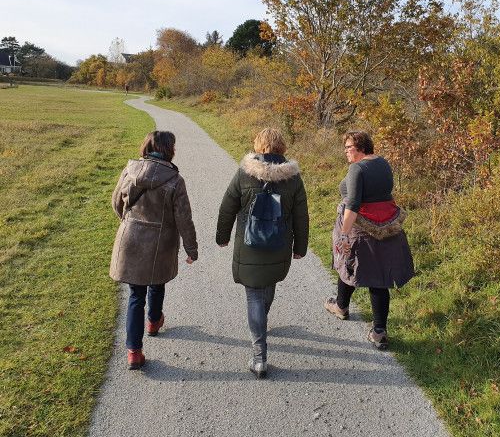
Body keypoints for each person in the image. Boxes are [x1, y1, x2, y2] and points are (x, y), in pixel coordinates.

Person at [216, 128, 309, 378]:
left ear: (258, 146)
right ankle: (261, 324)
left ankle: (259, 357)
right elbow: (301, 215)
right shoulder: (293, 178)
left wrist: (222, 237)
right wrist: (300, 247)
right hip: (279, 246)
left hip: (249, 246)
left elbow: (227, 207)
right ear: (282, 147)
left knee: (254, 295)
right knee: (267, 286)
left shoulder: (245, 172)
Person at [110, 130, 198, 369]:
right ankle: (153, 321)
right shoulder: (174, 180)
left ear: (147, 146)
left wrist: (129, 222)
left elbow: (116, 203)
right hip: (161, 242)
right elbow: (184, 219)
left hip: (131, 238)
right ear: (170, 149)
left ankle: (134, 352)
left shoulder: (130, 170)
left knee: (135, 295)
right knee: (157, 283)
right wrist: (192, 248)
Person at [324, 131, 414, 350]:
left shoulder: (357, 168)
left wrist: (344, 233)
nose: (346, 151)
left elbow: (353, 203)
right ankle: (379, 331)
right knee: (379, 277)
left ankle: (342, 307)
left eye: (349, 147)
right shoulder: (383, 163)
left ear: (361, 147)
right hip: (387, 225)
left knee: (348, 263)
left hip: (361, 227)